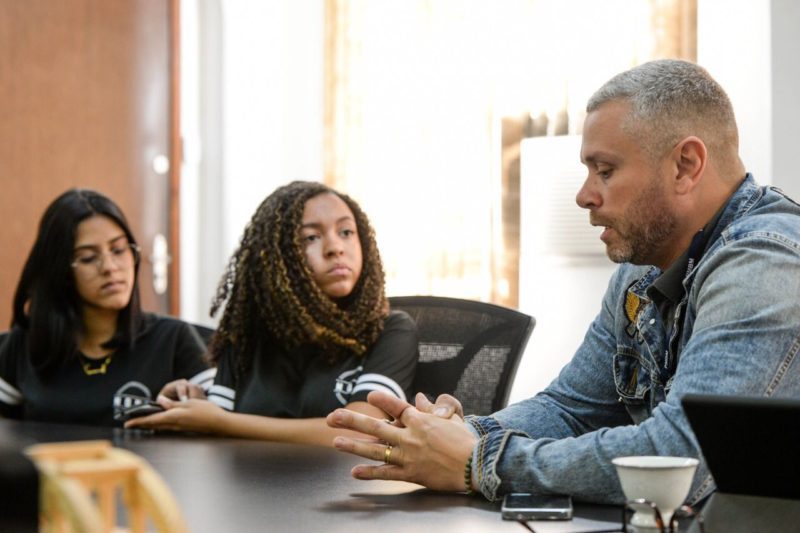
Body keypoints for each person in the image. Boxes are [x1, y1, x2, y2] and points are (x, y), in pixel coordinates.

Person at [326, 59, 800, 505]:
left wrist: (477, 461)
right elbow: (572, 408)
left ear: (686, 165)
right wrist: (460, 434)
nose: (583, 195)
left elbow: (681, 460)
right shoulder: (641, 272)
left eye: (605, 170)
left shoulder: (765, 266)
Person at [126, 181, 418, 446]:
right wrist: (194, 403)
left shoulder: (391, 329)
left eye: (346, 232)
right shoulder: (247, 336)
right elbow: (214, 427)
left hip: (346, 498)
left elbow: (361, 434)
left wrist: (222, 423)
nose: (335, 248)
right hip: (251, 496)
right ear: (276, 257)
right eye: (311, 238)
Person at [0, 189, 214, 426]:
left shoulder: (173, 340)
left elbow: (223, 425)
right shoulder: (23, 346)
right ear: (60, 271)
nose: (110, 267)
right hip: (51, 464)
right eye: (89, 258)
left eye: (119, 250)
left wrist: (194, 401)